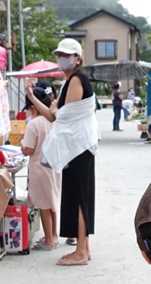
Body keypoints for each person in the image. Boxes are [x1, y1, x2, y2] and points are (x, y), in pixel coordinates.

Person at [25, 38, 96, 267]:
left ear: (77, 59)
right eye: (58, 54)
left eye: (65, 55)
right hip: (77, 147)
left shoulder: (77, 79)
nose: (60, 58)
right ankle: (83, 249)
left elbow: (65, 115)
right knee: (78, 198)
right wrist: (33, 97)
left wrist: (57, 108)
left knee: (79, 199)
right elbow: (54, 115)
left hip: (79, 147)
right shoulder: (68, 82)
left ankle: (81, 252)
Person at [20, 81, 62, 251]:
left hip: (39, 168)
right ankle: (53, 236)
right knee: (52, 202)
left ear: (33, 106)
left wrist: (22, 144)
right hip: (54, 167)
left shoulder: (34, 124)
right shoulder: (54, 120)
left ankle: (48, 242)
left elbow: (28, 150)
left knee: (44, 205)